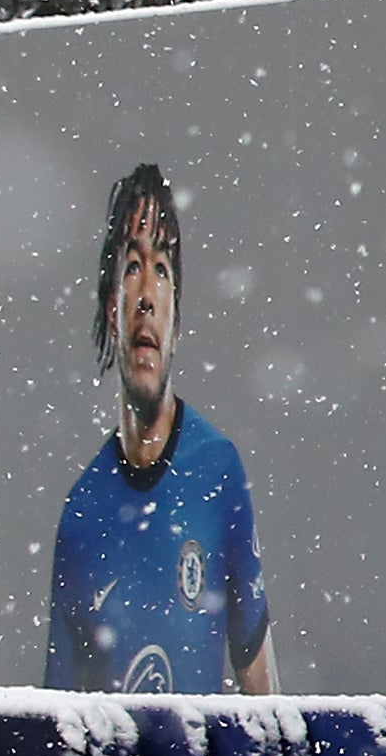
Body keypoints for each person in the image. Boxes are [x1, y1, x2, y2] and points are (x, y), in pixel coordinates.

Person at [47, 163, 276, 697]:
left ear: (176, 320)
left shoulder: (217, 470)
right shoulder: (82, 514)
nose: (146, 292)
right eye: (132, 267)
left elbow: (261, 687)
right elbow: (57, 731)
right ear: (112, 311)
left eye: (162, 269)